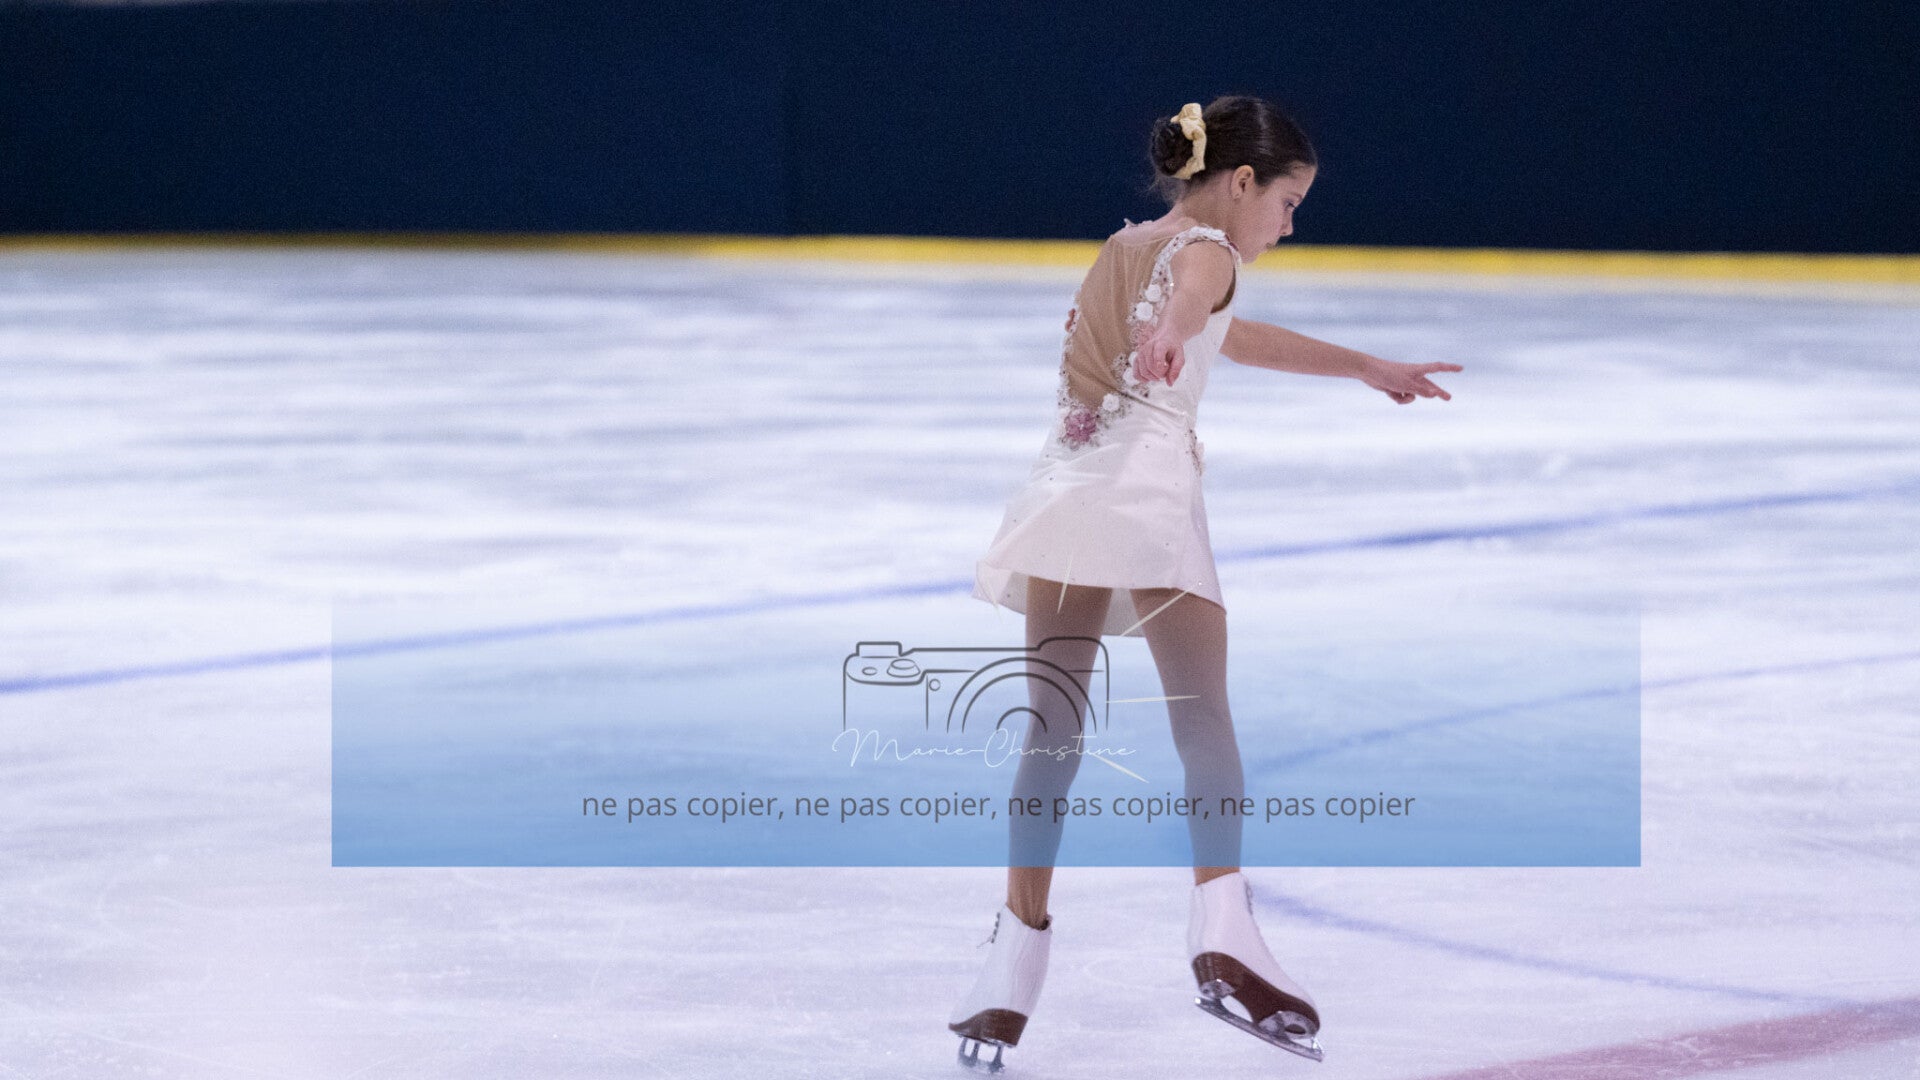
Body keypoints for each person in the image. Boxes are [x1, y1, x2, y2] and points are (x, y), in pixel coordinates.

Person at [947, 95, 1462, 1071]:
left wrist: (1363, 365)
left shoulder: (1123, 244)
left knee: (1051, 735)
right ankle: (1223, 932)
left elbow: (1224, 330)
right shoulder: (1209, 253)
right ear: (1241, 183)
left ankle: (1010, 964)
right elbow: (1199, 294)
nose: (1289, 225)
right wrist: (1177, 327)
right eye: (1288, 203)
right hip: (1145, 497)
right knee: (1204, 722)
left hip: (1065, 494)